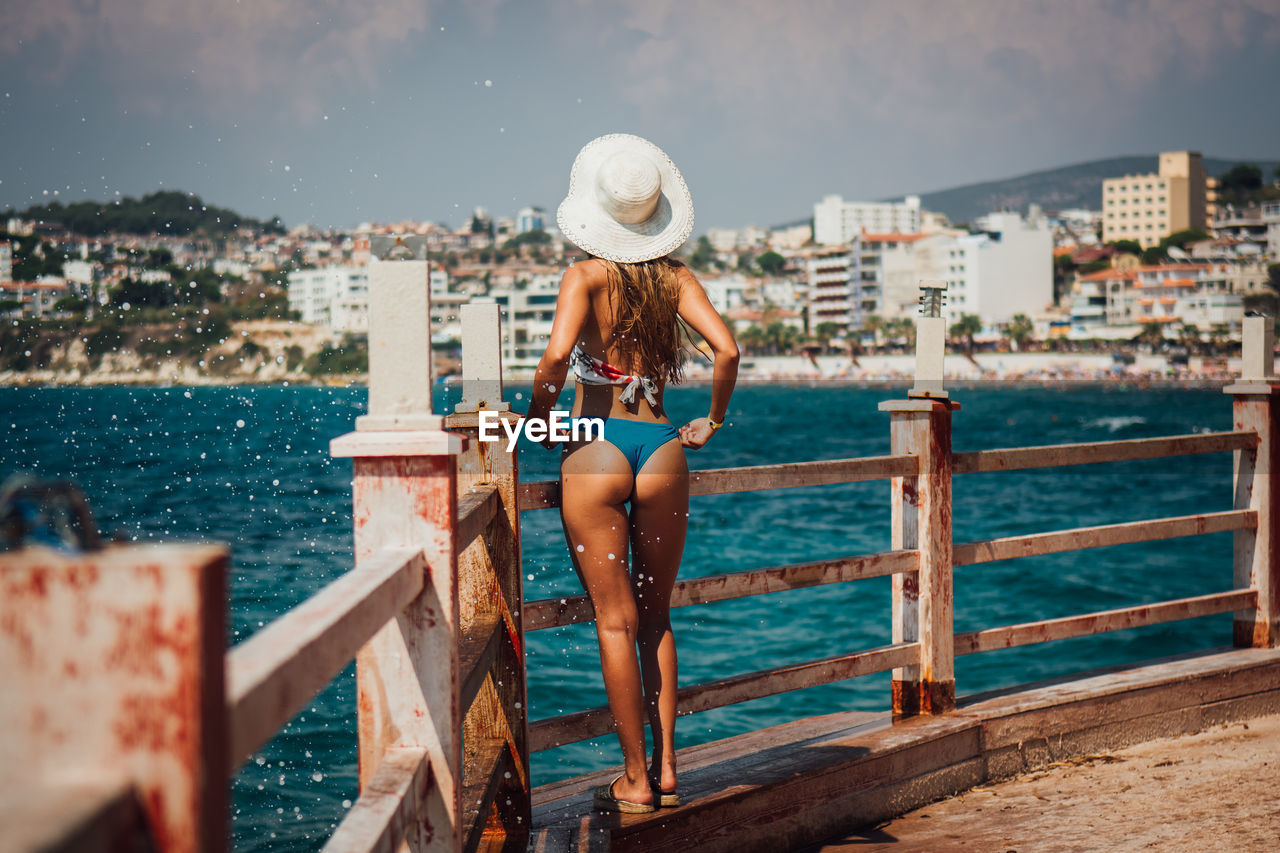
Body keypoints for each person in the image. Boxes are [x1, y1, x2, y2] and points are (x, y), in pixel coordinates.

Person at [524, 133, 739, 813]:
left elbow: (557, 355)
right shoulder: (674, 278)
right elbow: (728, 349)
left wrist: (537, 418)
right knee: (655, 620)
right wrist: (713, 420)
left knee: (614, 623)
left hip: (594, 444)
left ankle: (635, 778)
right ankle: (671, 768)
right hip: (662, 446)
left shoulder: (584, 277)